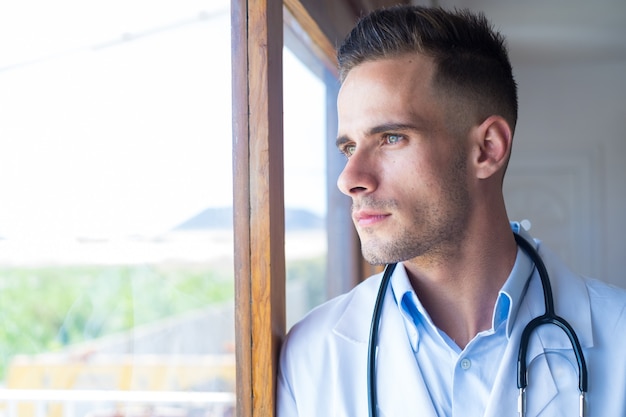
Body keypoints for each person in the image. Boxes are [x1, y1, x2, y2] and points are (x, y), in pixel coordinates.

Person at [277, 5, 626, 417]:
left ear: (487, 149)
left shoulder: (619, 339)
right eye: (349, 147)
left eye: (391, 137)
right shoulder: (311, 357)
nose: (350, 178)